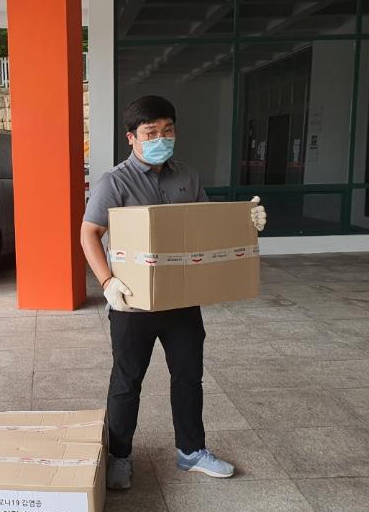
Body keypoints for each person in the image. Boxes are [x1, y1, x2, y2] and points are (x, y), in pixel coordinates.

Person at [80, 95, 267, 490]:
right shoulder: (115, 182)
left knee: (188, 376)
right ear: (132, 138)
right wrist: (107, 282)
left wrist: (245, 223)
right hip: (132, 303)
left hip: (181, 300)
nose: (160, 139)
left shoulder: (188, 177)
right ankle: (119, 455)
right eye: (151, 133)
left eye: (167, 131)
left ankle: (191, 451)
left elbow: (206, 227)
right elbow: (89, 233)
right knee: (127, 381)